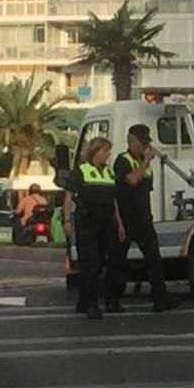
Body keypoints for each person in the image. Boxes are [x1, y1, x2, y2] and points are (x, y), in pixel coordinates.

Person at [106, 124, 180, 314]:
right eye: (142, 143)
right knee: (117, 260)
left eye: (147, 143)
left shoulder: (145, 165)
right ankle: (111, 299)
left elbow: (145, 191)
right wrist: (146, 162)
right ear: (131, 142)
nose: (146, 147)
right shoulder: (123, 161)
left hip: (143, 219)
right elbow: (131, 180)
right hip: (125, 219)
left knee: (154, 259)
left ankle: (160, 298)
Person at [63, 136, 124, 320]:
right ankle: (91, 305)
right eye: (105, 151)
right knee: (90, 263)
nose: (107, 155)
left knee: (104, 262)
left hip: (106, 222)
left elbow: (114, 200)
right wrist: (66, 221)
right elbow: (68, 196)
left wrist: (119, 223)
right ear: (95, 151)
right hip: (87, 221)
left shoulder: (108, 172)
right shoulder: (81, 170)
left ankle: (85, 301)